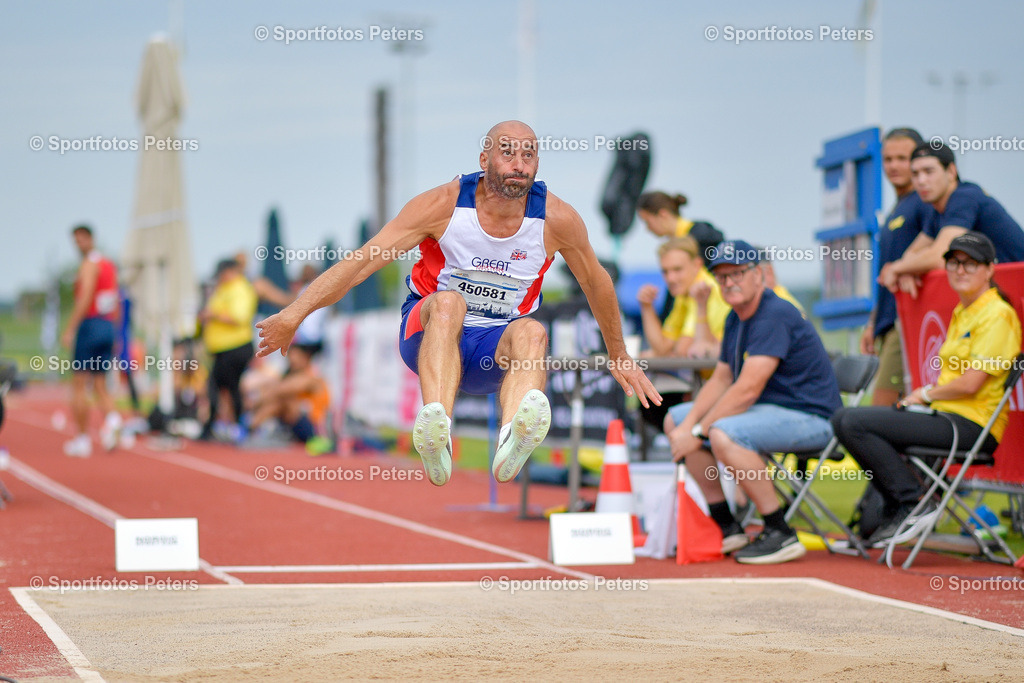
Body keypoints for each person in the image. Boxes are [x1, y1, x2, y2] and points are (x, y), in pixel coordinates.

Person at [256, 120, 660, 486]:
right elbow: (361, 263)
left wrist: (619, 353)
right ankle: (437, 429)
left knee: (534, 330)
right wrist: (294, 314)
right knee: (449, 302)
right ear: (484, 159)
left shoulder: (556, 219)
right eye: (508, 151)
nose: (519, 162)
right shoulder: (443, 205)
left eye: (529, 153)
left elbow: (597, 283)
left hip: (493, 350)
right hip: (429, 334)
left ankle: (512, 439)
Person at [833, 232, 1021, 547]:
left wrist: (924, 394)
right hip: (943, 416)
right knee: (845, 420)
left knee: (852, 421)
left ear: (990, 269)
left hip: (973, 426)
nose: (960, 270)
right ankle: (900, 504)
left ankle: (913, 501)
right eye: (954, 262)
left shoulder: (997, 313)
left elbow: (972, 382)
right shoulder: (965, 311)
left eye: (971, 264)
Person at [664, 240, 841, 564]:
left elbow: (746, 389)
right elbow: (721, 379)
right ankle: (726, 525)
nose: (729, 282)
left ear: (759, 274)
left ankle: (779, 531)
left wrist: (700, 432)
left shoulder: (774, 313)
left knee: (723, 433)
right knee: (675, 419)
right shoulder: (736, 317)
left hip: (811, 418)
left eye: (738, 273)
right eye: (722, 276)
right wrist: (687, 428)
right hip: (768, 412)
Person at [882, 141, 1024, 298]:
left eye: (929, 171)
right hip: (1003, 293)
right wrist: (907, 269)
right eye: (915, 174)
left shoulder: (964, 197)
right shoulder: (937, 209)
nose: (921, 181)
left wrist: (897, 269)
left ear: (951, 171)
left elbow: (939, 257)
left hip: (1016, 289)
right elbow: (911, 255)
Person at [863, 128, 930, 405]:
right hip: (888, 323)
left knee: (878, 413)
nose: (893, 166)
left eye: (902, 158)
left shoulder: (924, 205)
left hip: (909, 322)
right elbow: (886, 275)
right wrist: (872, 323)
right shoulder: (895, 209)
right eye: (888, 159)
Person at [636, 236, 729, 428]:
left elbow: (683, 350)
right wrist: (646, 308)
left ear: (697, 264)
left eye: (677, 270)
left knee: (658, 404)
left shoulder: (705, 289)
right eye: (665, 272)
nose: (670, 278)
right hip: (707, 382)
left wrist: (660, 353)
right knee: (649, 401)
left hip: (722, 386)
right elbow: (663, 347)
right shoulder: (683, 293)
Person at [61, 224, 122, 457]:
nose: (78, 245)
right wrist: (114, 332)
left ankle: (82, 439)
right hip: (106, 326)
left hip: (91, 325)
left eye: (80, 240)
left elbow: (85, 298)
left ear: (90, 239)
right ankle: (114, 419)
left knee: (78, 385)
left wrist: (70, 328)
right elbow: (114, 300)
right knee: (99, 385)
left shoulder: (89, 265)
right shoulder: (108, 265)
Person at [198, 258, 258, 442]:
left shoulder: (240, 289)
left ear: (230, 271)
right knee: (220, 387)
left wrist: (213, 314)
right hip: (223, 348)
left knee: (227, 387)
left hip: (236, 347)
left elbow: (239, 316)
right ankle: (228, 425)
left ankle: (237, 426)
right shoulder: (223, 289)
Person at [246, 343, 332, 453]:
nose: (293, 360)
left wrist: (257, 399)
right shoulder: (291, 376)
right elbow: (278, 387)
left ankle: (252, 429)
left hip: (316, 428)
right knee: (278, 400)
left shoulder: (312, 377)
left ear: (306, 358)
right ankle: (254, 430)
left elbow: (284, 389)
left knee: (285, 399)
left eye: (297, 357)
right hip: (298, 424)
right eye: (291, 357)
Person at [636, 191, 725, 270]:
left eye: (647, 222)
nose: (647, 229)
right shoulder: (685, 238)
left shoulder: (702, 239)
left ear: (663, 215)